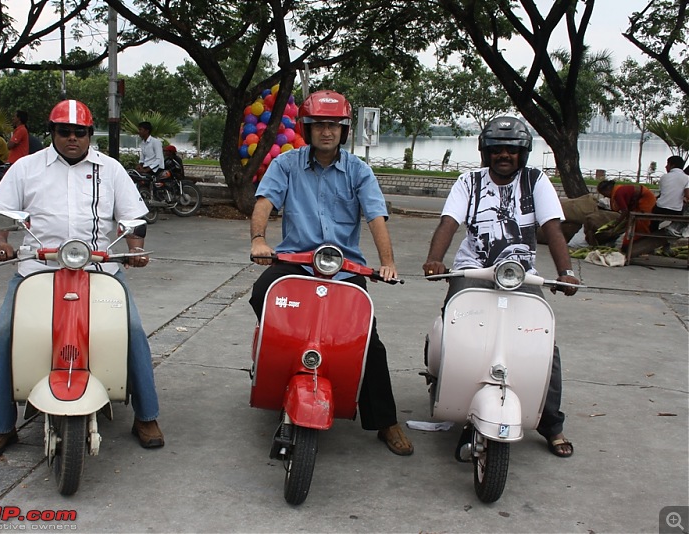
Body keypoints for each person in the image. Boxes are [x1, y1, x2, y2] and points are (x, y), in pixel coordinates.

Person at [0, 99, 164, 457]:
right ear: (52, 133)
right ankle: (2, 424)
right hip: (37, 268)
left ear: (90, 134)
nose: (72, 138)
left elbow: (133, 217)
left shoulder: (110, 169)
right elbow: (0, 214)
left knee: (133, 331)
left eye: (80, 132)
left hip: (100, 268)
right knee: (4, 333)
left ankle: (147, 415)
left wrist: (136, 246)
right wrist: (0, 242)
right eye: (64, 131)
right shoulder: (26, 168)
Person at [249, 90, 414, 456]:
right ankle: (280, 379)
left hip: (343, 269)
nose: (327, 132)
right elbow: (265, 203)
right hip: (295, 263)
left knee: (368, 338)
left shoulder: (359, 170)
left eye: (335, 125)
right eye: (320, 125)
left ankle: (385, 421)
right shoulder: (286, 165)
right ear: (307, 129)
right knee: (261, 294)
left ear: (345, 130)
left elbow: (376, 218)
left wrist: (387, 263)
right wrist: (259, 240)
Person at [422, 116, 580, 458]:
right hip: (471, 271)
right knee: (459, 332)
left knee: (544, 343)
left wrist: (565, 271)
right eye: (496, 149)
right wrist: (435, 258)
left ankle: (551, 423)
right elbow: (449, 222)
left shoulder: (536, 181)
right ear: (486, 153)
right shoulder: (469, 181)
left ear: (522, 154)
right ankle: (458, 404)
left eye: (511, 150)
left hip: (519, 275)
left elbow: (553, 228)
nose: (504, 155)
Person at [596, 179, 657, 251]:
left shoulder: (618, 193)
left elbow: (624, 211)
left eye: (604, 193)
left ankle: (645, 246)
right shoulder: (618, 191)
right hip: (638, 203)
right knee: (633, 226)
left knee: (641, 225)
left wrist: (616, 224)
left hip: (645, 201)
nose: (605, 196)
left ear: (607, 189)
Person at [650, 155, 689, 231]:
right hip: (676, 211)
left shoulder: (664, 177)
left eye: (667, 164)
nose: (665, 166)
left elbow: (664, 193)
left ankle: (653, 232)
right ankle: (673, 231)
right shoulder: (687, 178)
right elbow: (688, 195)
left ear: (672, 165)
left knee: (654, 215)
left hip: (660, 208)